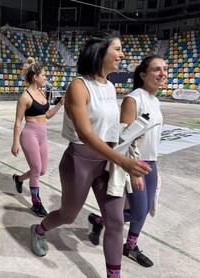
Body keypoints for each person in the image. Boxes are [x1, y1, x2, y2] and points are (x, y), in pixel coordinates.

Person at [29, 31, 152, 278]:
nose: (122, 54)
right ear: (100, 52)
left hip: (109, 161)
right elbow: (85, 133)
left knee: (116, 221)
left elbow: (108, 128)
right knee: (68, 214)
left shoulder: (110, 87)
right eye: (117, 49)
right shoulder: (78, 86)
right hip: (80, 161)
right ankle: (39, 230)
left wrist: (130, 138)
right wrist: (123, 161)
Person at [88, 55, 165, 268]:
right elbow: (124, 139)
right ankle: (100, 219)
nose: (162, 73)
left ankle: (130, 246)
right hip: (136, 163)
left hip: (153, 162)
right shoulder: (133, 99)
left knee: (145, 209)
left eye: (164, 69)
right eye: (156, 69)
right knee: (138, 211)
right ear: (143, 74)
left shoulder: (155, 100)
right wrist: (132, 170)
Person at [11, 57, 64, 217]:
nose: (45, 78)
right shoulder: (25, 97)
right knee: (36, 170)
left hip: (42, 134)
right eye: (43, 75)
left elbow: (46, 115)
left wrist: (60, 104)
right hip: (29, 134)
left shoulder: (42, 93)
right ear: (35, 77)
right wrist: (15, 143)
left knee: (42, 170)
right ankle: (36, 202)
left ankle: (19, 179)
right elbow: (18, 122)